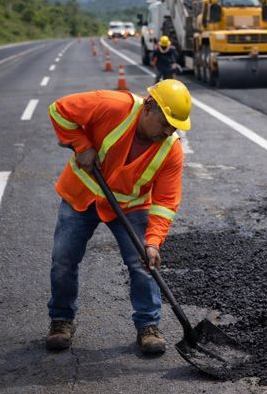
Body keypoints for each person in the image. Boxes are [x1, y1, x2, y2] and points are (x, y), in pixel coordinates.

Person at [46, 79, 192, 355]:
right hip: (82, 196)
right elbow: (58, 109)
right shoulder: (112, 105)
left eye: (174, 127)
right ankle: (61, 320)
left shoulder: (170, 150)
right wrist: (81, 144)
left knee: (144, 263)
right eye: (165, 124)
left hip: (129, 207)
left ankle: (148, 326)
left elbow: (165, 202)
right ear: (148, 108)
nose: (168, 132)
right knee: (64, 260)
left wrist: (153, 242)